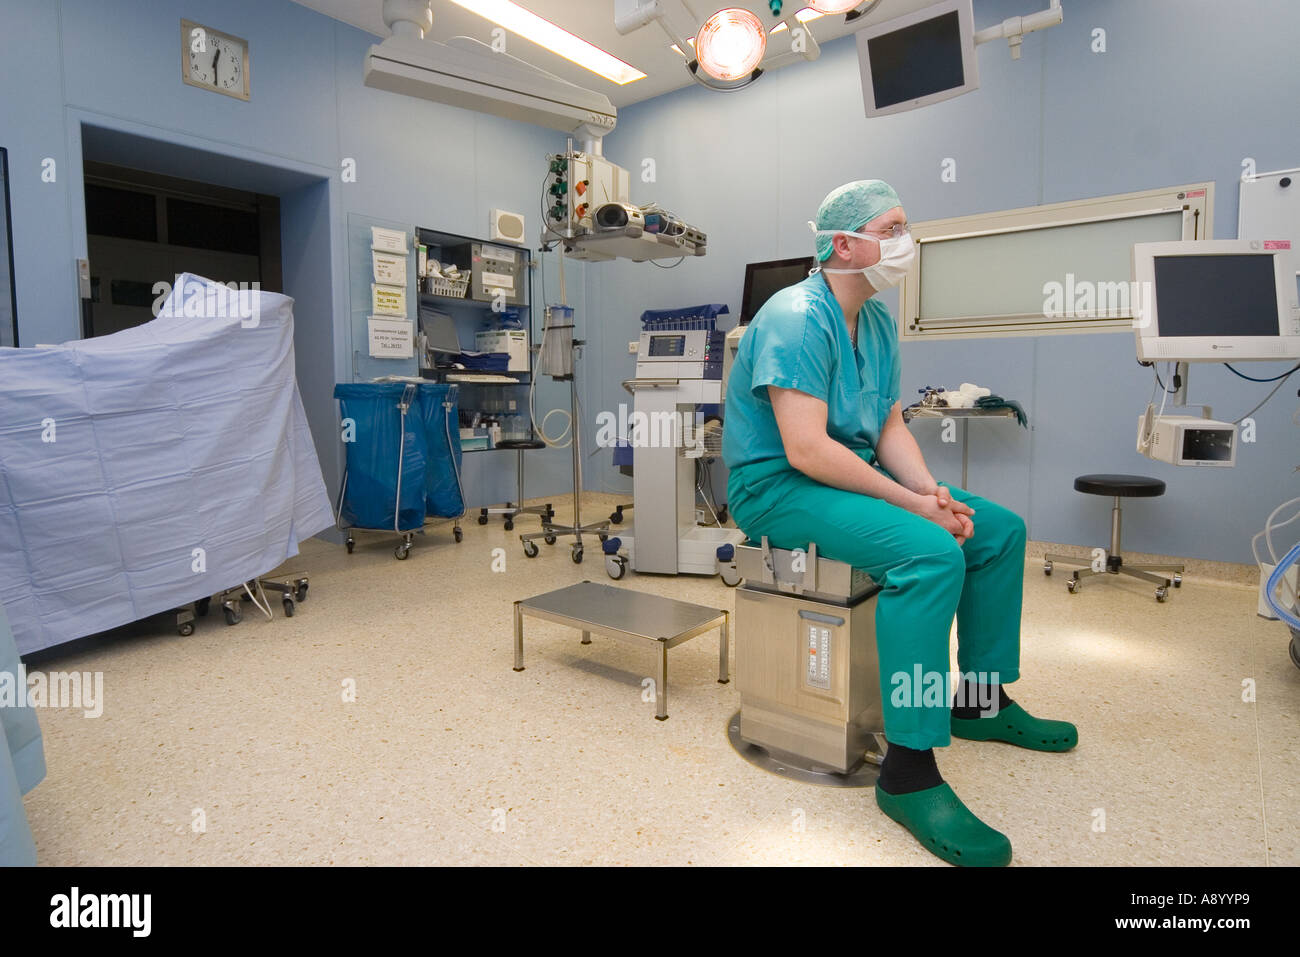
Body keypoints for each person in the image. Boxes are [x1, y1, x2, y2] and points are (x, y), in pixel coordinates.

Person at [722, 180, 1077, 867]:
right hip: (775, 486)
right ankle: (908, 771)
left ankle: (978, 698)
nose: (905, 240)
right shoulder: (796, 317)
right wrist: (914, 512)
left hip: (843, 470)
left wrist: (930, 491)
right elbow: (804, 448)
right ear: (843, 244)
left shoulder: (878, 321)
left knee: (995, 529)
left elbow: (886, 426)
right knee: (929, 554)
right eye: (892, 227)